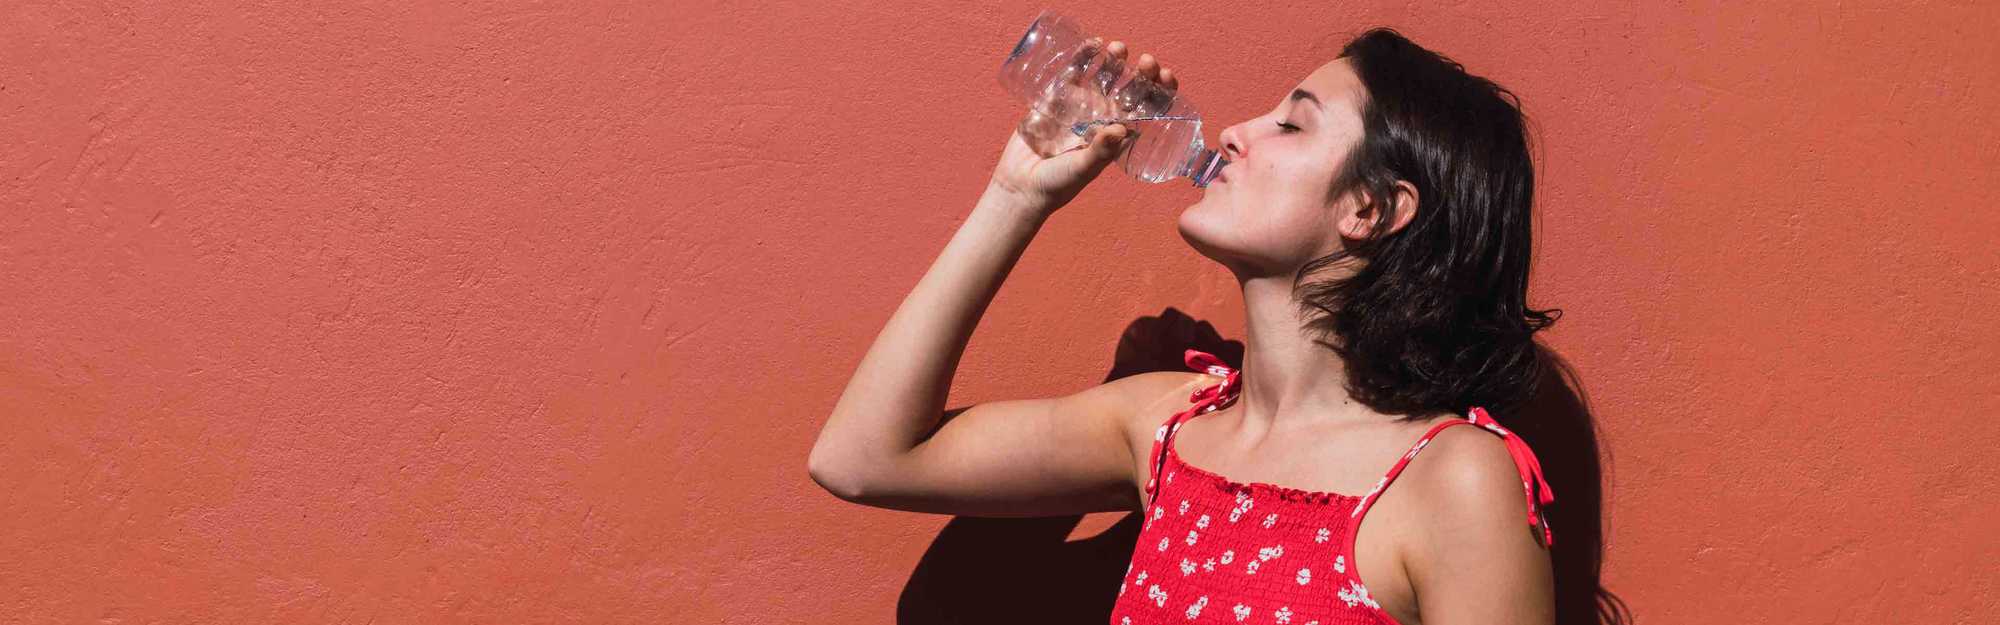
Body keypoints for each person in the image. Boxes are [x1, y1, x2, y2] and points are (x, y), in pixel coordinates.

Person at [810, 28, 1564, 625]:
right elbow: (863, 457)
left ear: (1368, 208)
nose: (1235, 131)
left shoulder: (1453, 481)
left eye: (1291, 125)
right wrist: (1016, 194)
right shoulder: (1167, 425)